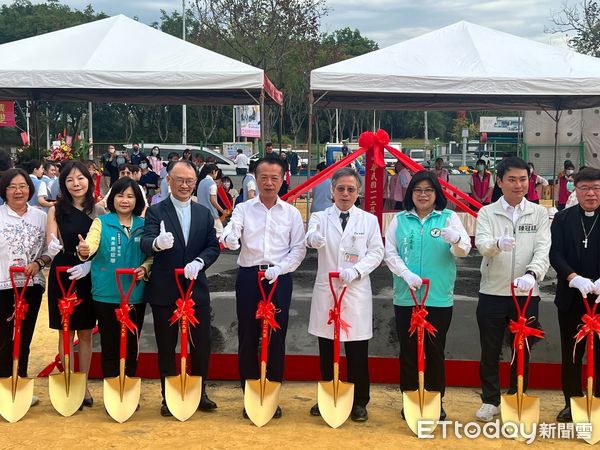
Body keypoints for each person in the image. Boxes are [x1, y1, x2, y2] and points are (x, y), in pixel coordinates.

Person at [221, 157, 306, 419]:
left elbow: (299, 249)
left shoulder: (291, 213)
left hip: (279, 278)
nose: (269, 183)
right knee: (248, 334)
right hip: (249, 277)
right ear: (254, 179)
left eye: (274, 178)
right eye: (263, 178)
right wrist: (230, 237)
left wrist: (281, 269)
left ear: (283, 179)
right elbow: (231, 237)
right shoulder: (244, 209)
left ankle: (272, 395)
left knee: (276, 336)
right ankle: (250, 394)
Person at [384, 170, 471, 421]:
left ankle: (435, 399)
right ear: (410, 193)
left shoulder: (448, 218)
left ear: (436, 194)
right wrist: (405, 274)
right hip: (406, 296)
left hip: (438, 298)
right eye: (418, 190)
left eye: (428, 191)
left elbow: (464, 249)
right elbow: (390, 253)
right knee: (409, 350)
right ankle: (410, 398)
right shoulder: (400, 220)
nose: (423, 195)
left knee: (435, 351)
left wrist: (455, 239)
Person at [474, 156, 551, 422]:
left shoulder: (539, 213)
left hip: (527, 294)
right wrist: (497, 243)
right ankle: (490, 400)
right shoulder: (487, 212)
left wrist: (533, 274)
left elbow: (543, 248)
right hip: (493, 292)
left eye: (523, 179)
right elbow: (482, 244)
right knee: (490, 348)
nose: (518, 185)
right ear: (500, 181)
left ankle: (516, 394)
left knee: (523, 348)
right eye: (512, 179)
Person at [141, 160, 221, 417]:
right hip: (165, 288)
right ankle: (168, 395)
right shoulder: (156, 211)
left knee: (201, 342)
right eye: (179, 180)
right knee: (166, 343)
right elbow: (145, 242)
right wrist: (157, 243)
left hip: (195, 288)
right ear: (169, 181)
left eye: (189, 181)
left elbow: (213, 246)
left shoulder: (203, 213)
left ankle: (200, 390)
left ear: (195, 183)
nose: (184, 185)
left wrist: (200, 262)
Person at [305, 167, 384, 422]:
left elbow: (376, 252)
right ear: (332, 191)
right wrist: (313, 238)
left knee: (357, 349)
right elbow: (309, 237)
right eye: (340, 189)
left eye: (351, 189)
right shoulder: (319, 217)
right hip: (327, 291)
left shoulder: (368, 220)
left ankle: (360, 400)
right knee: (327, 347)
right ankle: (328, 395)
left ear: (358, 192)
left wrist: (358, 270)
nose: (345, 194)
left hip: (355, 291)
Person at [77, 177, 150, 390]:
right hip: (106, 293)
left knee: (131, 345)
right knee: (110, 344)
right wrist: (85, 251)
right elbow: (91, 243)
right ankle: (111, 390)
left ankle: (127, 389)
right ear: (112, 198)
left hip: (135, 293)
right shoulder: (101, 222)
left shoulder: (144, 226)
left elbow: (152, 255)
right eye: (120, 195)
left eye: (130, 196)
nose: (125, 200)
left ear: (137, 200)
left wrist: (145, 268)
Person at [46, 161, 104, 407]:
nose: (76, 183)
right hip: (63, 273)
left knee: (86, 331)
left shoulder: (99, 211)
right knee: (65, 330)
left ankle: (84, 383)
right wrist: (51, 247)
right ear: (63, 184)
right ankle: (68, 379)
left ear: (89, 181)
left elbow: (101, 245)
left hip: (88, 273)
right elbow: (50, 240)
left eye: (80, 178)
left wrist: (90, 263)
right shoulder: (55, 210)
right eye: (70, 180)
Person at [549, 167, 600, 422]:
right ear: (575, 191)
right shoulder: (563, 219)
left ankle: (599, 402)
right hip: (572, 298)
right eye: (585, 188)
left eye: (596, 188)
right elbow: (555, 254)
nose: (591, 193)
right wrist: (573, 278)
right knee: (571, 353)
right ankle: (572, 402)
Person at [0, 168, 52, 407]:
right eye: (12, 187)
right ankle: (3, 386)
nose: (18, 191)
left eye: (22, 186)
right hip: (3, 286)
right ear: (5, 191)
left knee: (24, 336)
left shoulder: (41, 217)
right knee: (3, 337)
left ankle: (20, 384)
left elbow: (50, 249)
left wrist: (39, 263)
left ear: (29, 189)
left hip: (31, 285)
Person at [197, 164, 229, 238]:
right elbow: (213, 200)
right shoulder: (212, 184)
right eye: (217, 172)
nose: (217, 174)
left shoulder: (201, 182)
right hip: (212, 213)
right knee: (220, 232)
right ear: (213, 172)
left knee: (206, 234)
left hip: (201, 212)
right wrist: (222, 211)